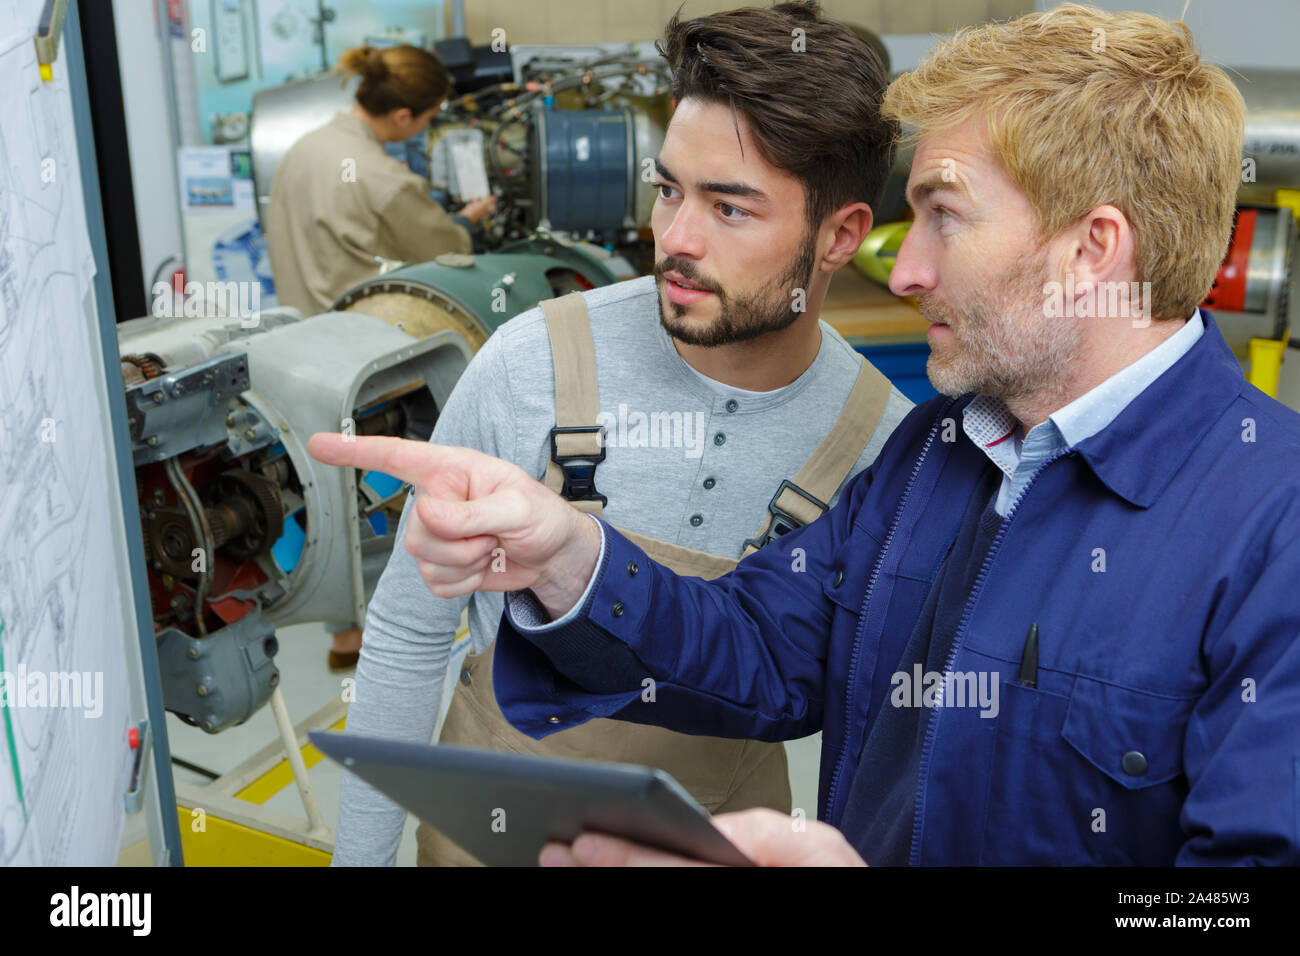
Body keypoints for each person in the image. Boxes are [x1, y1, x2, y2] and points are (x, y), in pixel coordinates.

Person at [308, 3, 1300, 866]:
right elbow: (757, 648)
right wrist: (569, 556)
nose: (904, 271)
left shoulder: (1272, 527)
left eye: (942, 218)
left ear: (1091, 250)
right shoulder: (938, 454)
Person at [327, 2, 912, 866]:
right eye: (669, 188)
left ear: (841, 237)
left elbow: (865, 719)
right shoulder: (534, 360)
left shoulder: (880, 443)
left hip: (721, 838)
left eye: (731, 209)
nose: (672, 239)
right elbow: (411, 632)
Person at [264, 43, 497, 668]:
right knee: (391, 479)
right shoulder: (383, 178)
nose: (425, 128)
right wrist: (469, 222)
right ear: (403, 118)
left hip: (298, 352)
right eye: (426, 117)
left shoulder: (304, 150)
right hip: (363, 357)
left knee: (323, 484)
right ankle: (397, 623)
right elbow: (443, 245)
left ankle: (343, 629)